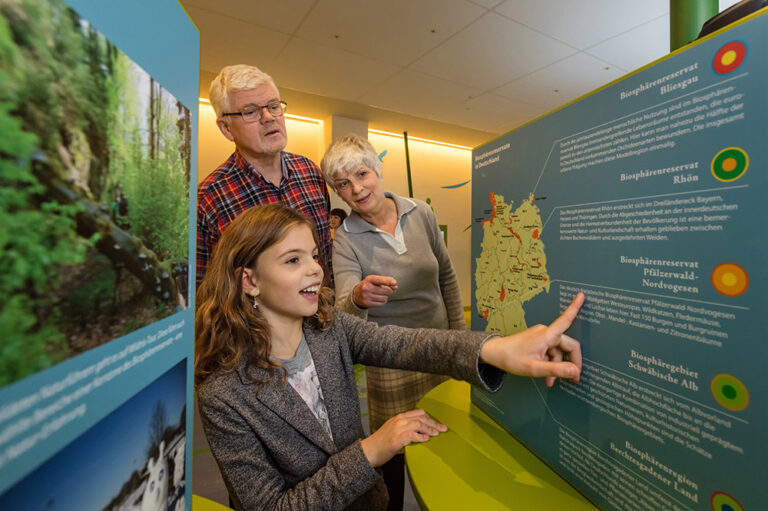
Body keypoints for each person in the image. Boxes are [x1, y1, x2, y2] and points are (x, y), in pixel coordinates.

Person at [195, 203, 585, 511]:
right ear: (249, 280)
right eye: (293, 260)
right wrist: (373, 450)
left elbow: (408, 344)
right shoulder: (223, 393)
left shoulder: (329, 330)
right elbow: (271, 506)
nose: (315, 270)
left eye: (314, 256)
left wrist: (497, 348)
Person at [320, 134, 462, 509]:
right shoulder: (345, 239)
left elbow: (446, 277)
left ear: (378, 170)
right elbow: (345, 309)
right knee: (395, 451)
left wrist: (460, 340)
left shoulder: (421, 213)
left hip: (439, 347)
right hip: (392, 360)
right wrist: (357, 296)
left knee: (447, 433)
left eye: (362, 174)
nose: (356, 188)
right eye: (343, 184)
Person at [196, 64, 332, 285]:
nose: (268, 117)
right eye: (250, 112)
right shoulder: (209, 196)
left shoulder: (310, 172)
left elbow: (327, 258)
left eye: (273, 106)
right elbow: (202, 290)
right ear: (226, 128)